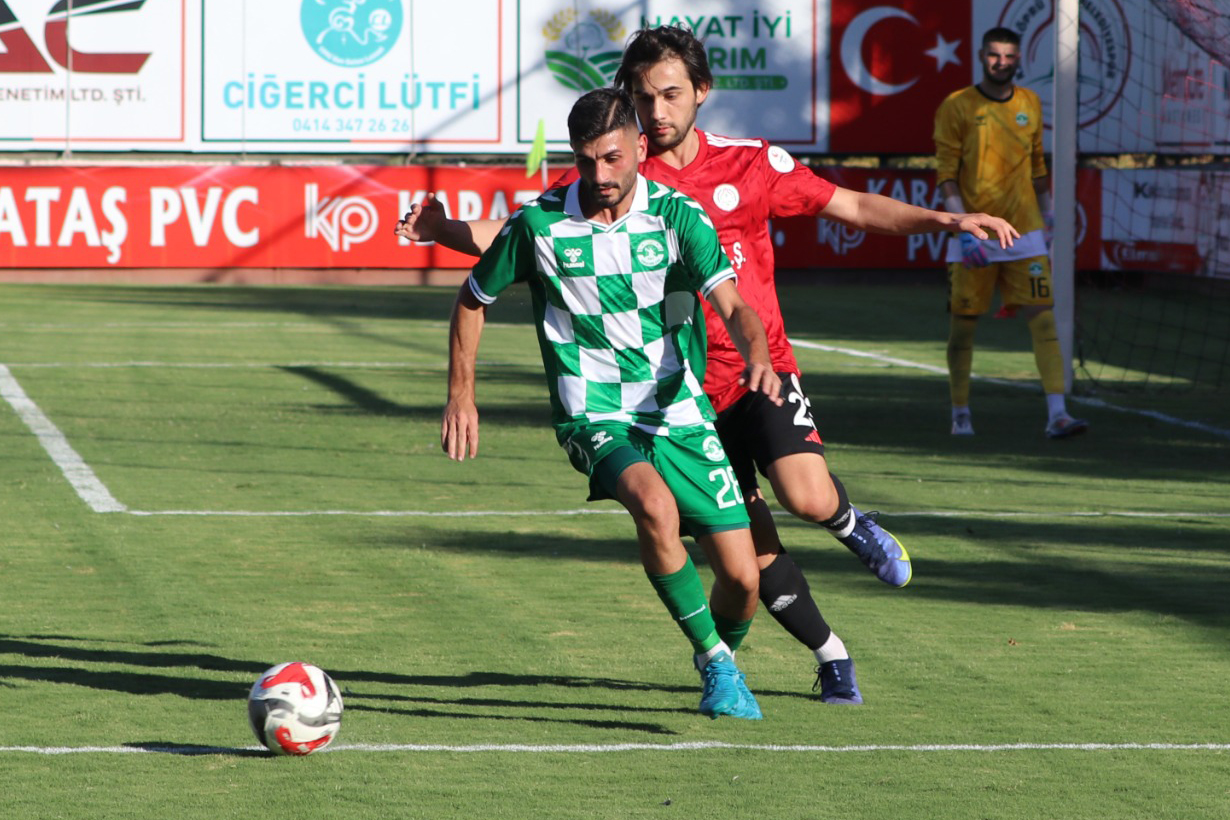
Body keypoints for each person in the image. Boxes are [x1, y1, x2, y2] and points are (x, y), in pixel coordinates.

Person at [401, 26, 1019, 703]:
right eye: (642, 99)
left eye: (670, 94)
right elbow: (523, 237)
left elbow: (852, 205)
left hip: (759, 368)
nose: (657, 112)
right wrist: (444, 230)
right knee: (748, 558)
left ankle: (849, 524)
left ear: (702, 91)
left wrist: (946, 221)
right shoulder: (616, 169)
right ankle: (824, 653)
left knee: (806, 496)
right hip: (679, 392)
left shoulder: (750, 164)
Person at [443, 86, 784, 720]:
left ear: (640, 147)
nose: (600, 174)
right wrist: (462, 394)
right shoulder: (538, 224)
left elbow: (734, 306)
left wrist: (758, 356)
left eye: (612, 158)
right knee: (653, 505)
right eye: (586, 160)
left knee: (742, 582)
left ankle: (719, 661)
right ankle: (716, 664)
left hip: (679, 411)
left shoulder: (680, 217)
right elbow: (471, 297)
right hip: (593, 413)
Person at [935, 26, 1089, 439]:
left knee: (1043, 323)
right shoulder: (957, 106)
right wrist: (962, 226)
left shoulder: (1031, 103)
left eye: (1008, 56)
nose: (1001, 62)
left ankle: (1057, 414)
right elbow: (946, 174)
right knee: (963, 328)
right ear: (981, 55)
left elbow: (1037, 165)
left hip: (1025, 234)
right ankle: (960, 413)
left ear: (1019, 59)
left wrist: (1050, 215)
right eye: (994, 55)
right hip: (976, 236)